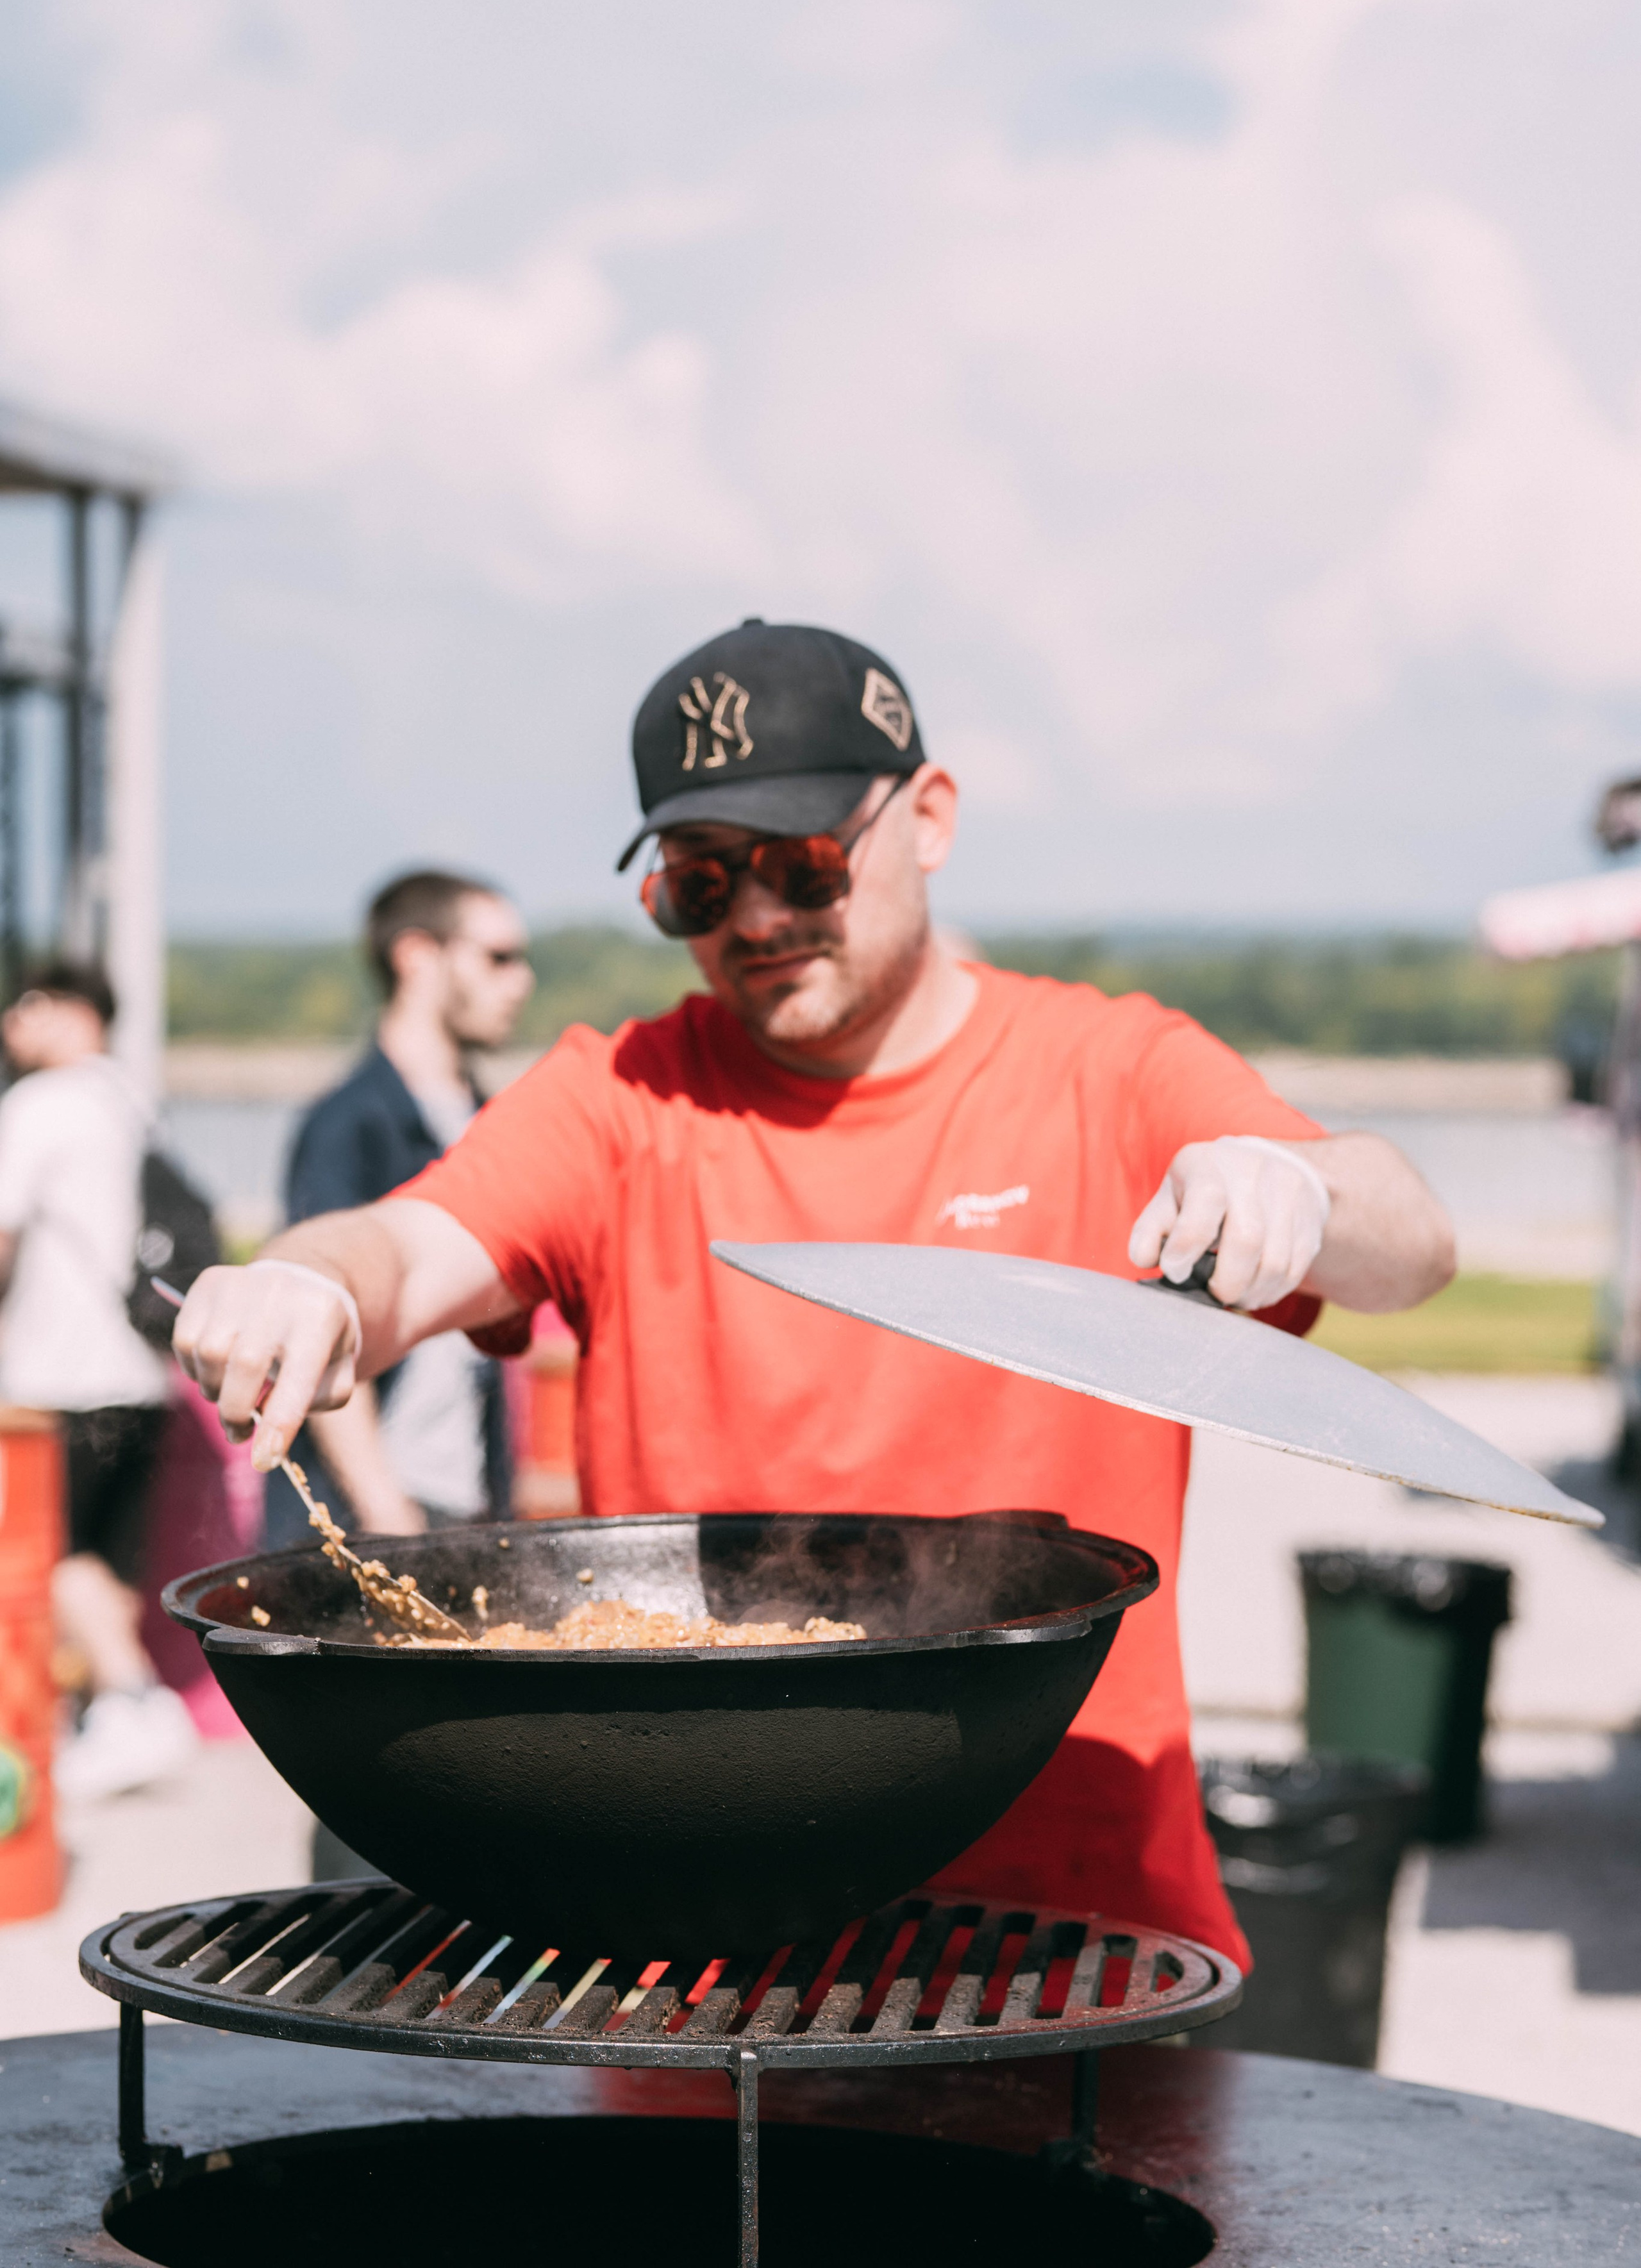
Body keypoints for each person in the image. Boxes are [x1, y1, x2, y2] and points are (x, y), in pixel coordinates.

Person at [174, 620, 1454, 1962]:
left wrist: (1297, 1188)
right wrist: (308, 1281)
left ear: (930, 817)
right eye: (699, 883)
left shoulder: (1107, 1071)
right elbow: (401, 1248)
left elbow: (1410, 1246)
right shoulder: (622, 1100)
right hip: (690, 1933)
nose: (757, 919)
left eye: (802, 865)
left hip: (1076, 1922)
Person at [267, 869, 536, 1545]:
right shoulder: (348, 1124)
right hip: (374, 1521)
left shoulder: (493, 1121)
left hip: (466, 1502)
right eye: (498, 958)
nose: (521, 982)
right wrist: (384, 1509)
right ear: (416, 955)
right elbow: (315, 1318)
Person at [0, 961, 195, 1800]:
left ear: (71, 1011)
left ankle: (133, 1700)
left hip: (59, 1374)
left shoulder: (38, 1102)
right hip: (139, 1371)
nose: (12, 1024)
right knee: (109, 1564)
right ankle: (108, 1723)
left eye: (24, 1006)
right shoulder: (129, 1100)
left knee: (49, 1550)